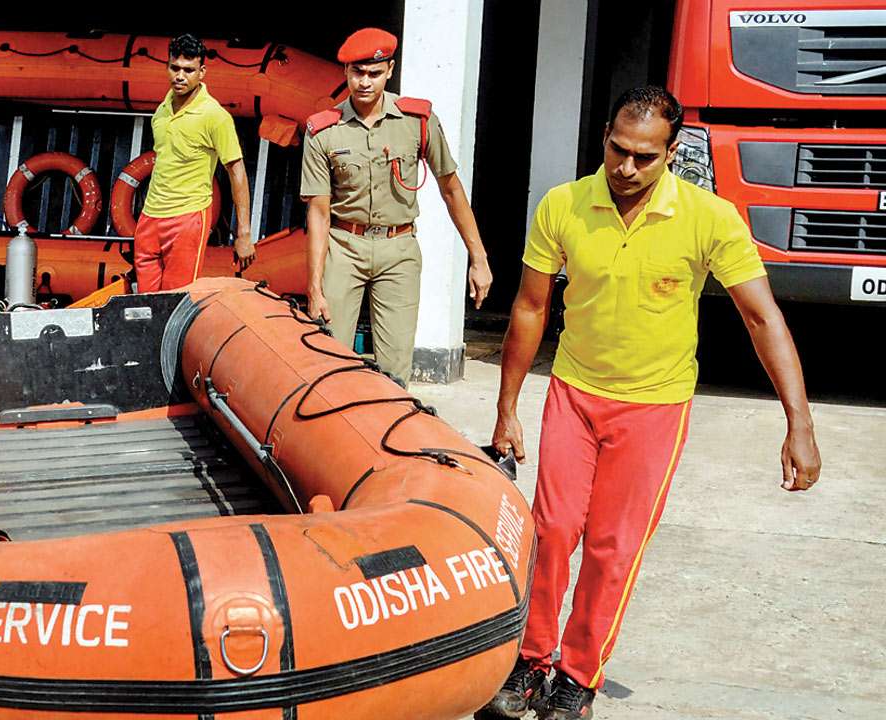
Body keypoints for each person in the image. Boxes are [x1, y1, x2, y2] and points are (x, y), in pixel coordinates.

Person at [482, 86, 822, 720]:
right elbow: (530, 307)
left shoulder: (709, 217)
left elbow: (760, 317)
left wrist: (798, 421)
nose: (627, 168)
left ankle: (577, 679)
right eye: (617, 150)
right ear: (604, 138)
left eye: (645, 156)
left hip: (654, 410)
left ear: (672, 152)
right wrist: (507, 408)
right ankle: (531, 662)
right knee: (552, 531)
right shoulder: (564, 205)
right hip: (574, 394)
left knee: (613, 547)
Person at [301, 27, 492, 386]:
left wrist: (478, 258)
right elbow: (319, 212)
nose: (365, 82)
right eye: (357, 72)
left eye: (375, 73)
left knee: (394, 369)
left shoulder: (417, 122)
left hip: (398, 249)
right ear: (345, 72)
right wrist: (314, 286)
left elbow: (450, 188)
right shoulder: (325, 132)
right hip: (344, 247)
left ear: (390, 70)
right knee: (329, 360)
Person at [133, 33, 254, 291]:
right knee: (143, 307)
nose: (180, 76)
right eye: (174, 68)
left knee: (174, 304)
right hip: (150, 217)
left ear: (202, 72)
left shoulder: (215, 116)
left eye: (188, 70)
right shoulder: (161, 111)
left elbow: (237, 171)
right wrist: (145, 219)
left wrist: (243, 233)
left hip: (187, 219)